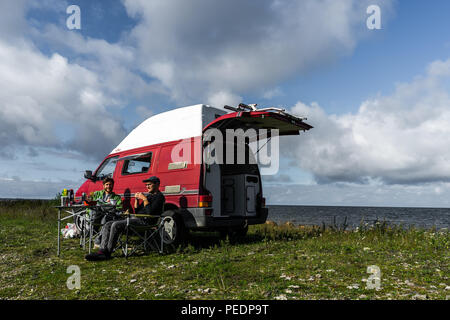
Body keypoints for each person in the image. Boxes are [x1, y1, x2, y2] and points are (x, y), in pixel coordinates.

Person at [85, 176, 165, 261]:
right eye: (146, 185)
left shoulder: (159, 197)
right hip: (137, 219)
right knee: (108, 224)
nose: (147, 187)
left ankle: (107, 253)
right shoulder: (149, 196)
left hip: (146, 222)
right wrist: (137, 201)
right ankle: (102, 251)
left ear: (157, 185)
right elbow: (138, 212)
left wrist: (144, 199)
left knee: (116, 225)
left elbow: (150, 212)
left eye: (149, 184)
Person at [88, 178, 123, 248]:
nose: (109, 186)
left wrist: (109, 204)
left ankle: (98, 240)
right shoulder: (97, 194)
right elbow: (90, 204)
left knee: (106, 219)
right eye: (107, 184)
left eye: (110, 184)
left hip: (107, 216)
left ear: (113, 185)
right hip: (95, 215)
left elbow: (119, 208)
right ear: (103, 186)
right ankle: (95, 235)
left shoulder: (117, 197)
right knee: (98, 208)